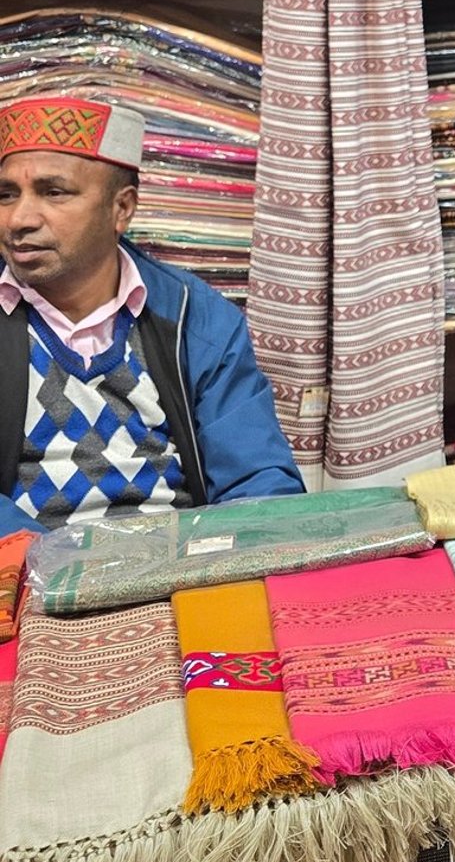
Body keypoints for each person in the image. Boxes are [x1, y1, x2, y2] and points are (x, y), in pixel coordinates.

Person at [0, 96, 302, 538]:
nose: (20, 218)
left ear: (121, 209)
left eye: (54, 192)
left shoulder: (194, 318)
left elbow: (258, 482)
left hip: (178, 574)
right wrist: (53, 566)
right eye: (6, 194)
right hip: (23, 580)